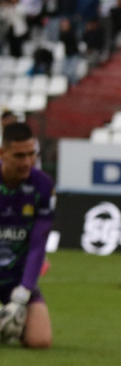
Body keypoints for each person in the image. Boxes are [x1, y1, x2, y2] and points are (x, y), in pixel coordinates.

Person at [0, 122, 55, 349]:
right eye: (19, 156)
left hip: (17, 280)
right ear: (2, 153)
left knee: (40, 341)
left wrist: (24, 290)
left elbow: (37, 245)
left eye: (31, 154)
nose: (27, 162)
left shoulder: (42, 185)